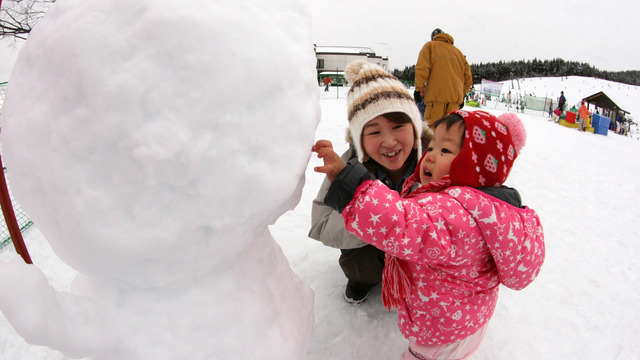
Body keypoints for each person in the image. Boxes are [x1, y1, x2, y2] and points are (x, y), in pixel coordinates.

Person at [312, 110, 545, 360]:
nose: (431, 156)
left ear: (476, 166)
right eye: (432, 146)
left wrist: (348, 181)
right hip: (468, 317)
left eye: (445, 151)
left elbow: (399, 222)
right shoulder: (486, 207)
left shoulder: (453, 213)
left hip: (441, 329)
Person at [309, 59, 428, 304]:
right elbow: (320, 226)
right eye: (374, 131)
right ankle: (362, 279)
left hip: (423, 254)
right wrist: (351, 192)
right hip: (371, 254)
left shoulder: (436, 162)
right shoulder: (348, 165)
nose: (390, 141)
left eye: (398, 126)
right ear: (359, 138)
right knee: (358, 261)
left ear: (415, 127)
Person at [414, 28, 473, 127]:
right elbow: (468, 79)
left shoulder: (430, 46)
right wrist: (461, 96)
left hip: (435, 99)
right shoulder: (459, 53)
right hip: (455, 101)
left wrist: (419, 90)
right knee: (451, 133)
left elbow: (422, 69)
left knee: (432, 132)